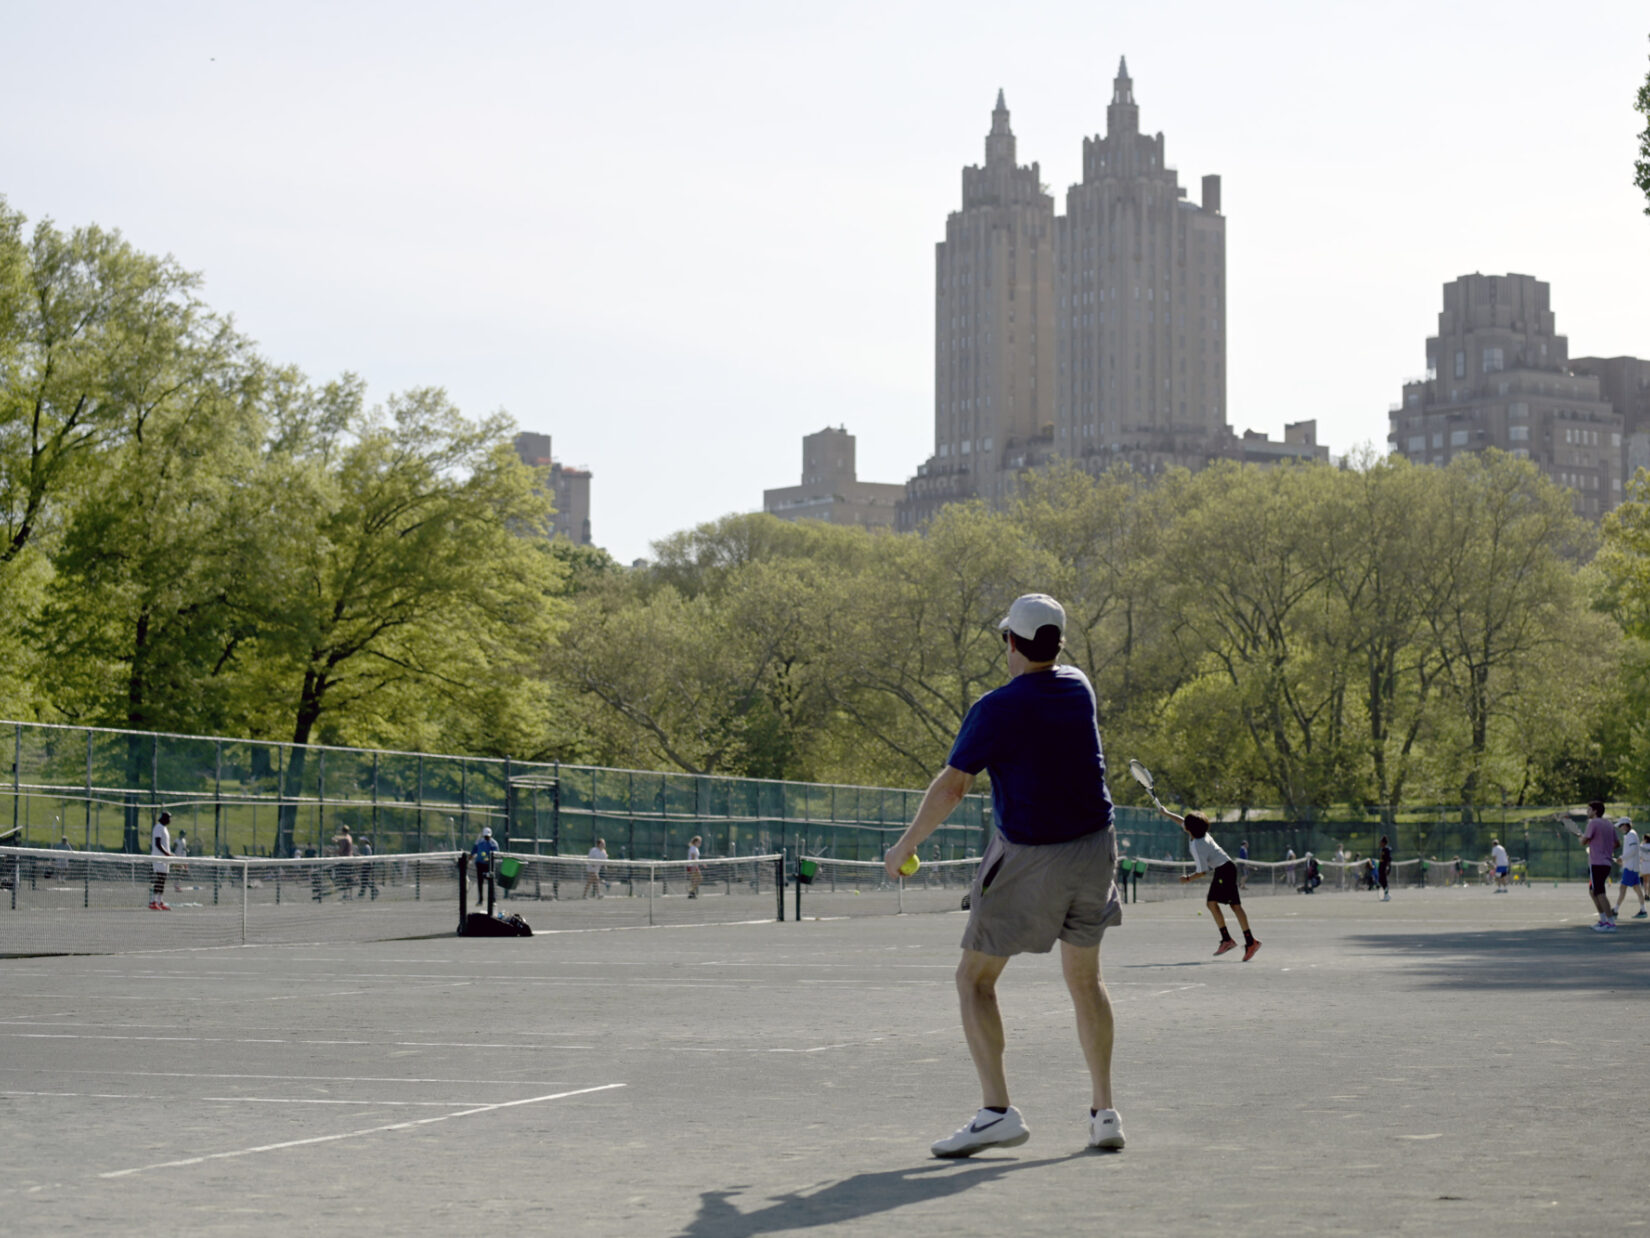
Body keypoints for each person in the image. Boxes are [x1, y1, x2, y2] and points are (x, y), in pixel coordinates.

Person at [881, 593, 1125, 1157]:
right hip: (1096, 848)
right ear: (1058, 643)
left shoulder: (997, 708)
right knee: (1086, 981)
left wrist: (904, 847)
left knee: (974, 980)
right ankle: (1105, 1112)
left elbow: (952, 788)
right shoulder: (1080, 686)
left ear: (1011, 643)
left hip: (1033, 856)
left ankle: (996, 1112)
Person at [1164, 807, 1261, 960]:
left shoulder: (1197, 845)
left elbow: (1202, 872)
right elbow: (1181, 821)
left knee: (1215, 903)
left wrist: (1187, 878)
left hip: (1224, 871)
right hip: (1227, 868)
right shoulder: (1200, 832)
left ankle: (1232, 940)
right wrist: (1166, 813)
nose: (1183, 824)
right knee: (1231, 905)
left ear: (1189, 829)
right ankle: (1248, 942)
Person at [1566, 802, 1619, 932]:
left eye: (1588, 809)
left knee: (1599, 892)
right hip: (1605, 863)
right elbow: (1617, 843)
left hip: (1597, 863)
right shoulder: (1609, 824)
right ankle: (1603, 920)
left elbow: (1583, 841)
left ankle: (1611, 924)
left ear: (1595, 811)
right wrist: (1604, 848)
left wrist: (1581, 838)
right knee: (1593, 891)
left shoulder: (1593, 823)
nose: (1587, 812)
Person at [1613, 818, 1646, 920]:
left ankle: (1615, 911)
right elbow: (1632, 851)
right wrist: (1623, 860)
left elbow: (1633, 850)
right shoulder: (1630, 834)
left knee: (1623, 888)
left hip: (1630, 868)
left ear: (1626, 825)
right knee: (1637, 889)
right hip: (1632, 867)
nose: (1620, 828)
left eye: (1621, 826)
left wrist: (1622, 858)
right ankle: (1643, 910)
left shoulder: (1631, 834)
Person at [149, 811, 173, 911]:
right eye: (168, 818)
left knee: (163, 879)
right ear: (164, 818)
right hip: (159, 858)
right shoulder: (158, 827)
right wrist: (166, 853)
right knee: (159, 879)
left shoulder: (165, 829)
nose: (170, 820)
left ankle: (160, 901)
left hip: (165, 859)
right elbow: (158, 843)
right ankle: (153, 902)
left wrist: (169, 854)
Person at [471, 826, 498, 903]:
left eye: (488, 836)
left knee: (491, 882)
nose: (487, 837)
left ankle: (493, 899)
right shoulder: (478, 842)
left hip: (490, 866)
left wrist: (489, 860)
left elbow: (496, 855)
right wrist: (468, 859)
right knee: (480, 882)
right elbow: (473, 851)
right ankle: (480, 899)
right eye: (485, 836)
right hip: (480, 864)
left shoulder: (494, 844)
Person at [333, 824, 355, 899]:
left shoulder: (344, 839)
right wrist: (337, 841)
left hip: (345, 860)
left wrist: (332, 852)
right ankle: (349, 894)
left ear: (342, 831)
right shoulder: (349, 837)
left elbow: (341, 850)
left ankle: (346, 894)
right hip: (350, 859)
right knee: (349, 877)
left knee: (345, 877)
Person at [687, 835, 703, 899]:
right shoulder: (693, 848)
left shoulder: (695, 848)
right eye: (699, 842)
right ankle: (691, 891)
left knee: (695, 879)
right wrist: (694, 868)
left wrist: (702, 864)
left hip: (694, 866)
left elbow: (696, 858)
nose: (700, 843)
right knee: (699, 878)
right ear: (695, 842)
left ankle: (691, 892)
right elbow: (693, 858)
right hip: (692, 866)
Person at [1377, 835, 1393, 902]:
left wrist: (1387, 867)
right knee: (1381, 880)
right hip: (1381, 868)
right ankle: (1387, 894)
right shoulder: (1383, 849)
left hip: (1384, 868)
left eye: (1381, 842)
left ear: (1383, 843)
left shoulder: (1387, 850)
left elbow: (1389, 860)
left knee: (1384, 881)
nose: (1380, 843)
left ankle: (1386, 895)